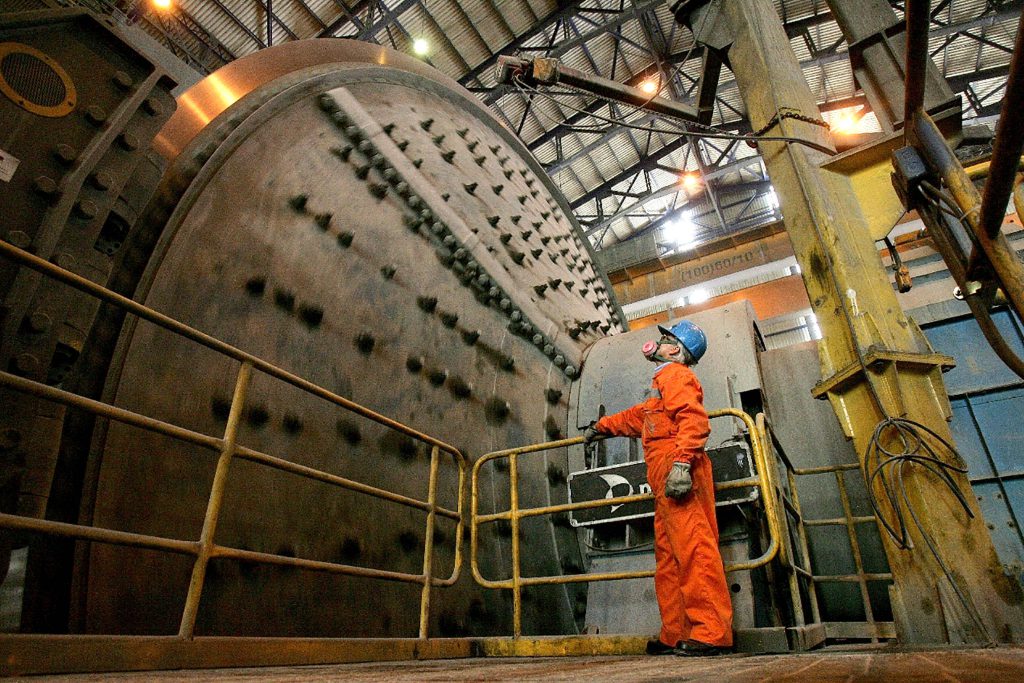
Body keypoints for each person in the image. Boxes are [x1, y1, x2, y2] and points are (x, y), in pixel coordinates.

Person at [585, 320, 733, 657]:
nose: (659, 341)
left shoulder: (675, 376)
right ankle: (675, 633)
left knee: (695, 550)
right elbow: (640, 418)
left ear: (677, 350)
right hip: (664, 480)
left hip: (679, 472)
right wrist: (601, 427)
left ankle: (711, 633)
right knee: (669, 558)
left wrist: (681, 464)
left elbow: (694, 422)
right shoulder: (660, 386)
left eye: (666, 338)